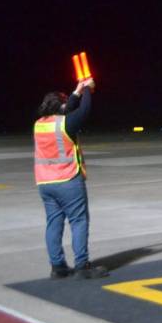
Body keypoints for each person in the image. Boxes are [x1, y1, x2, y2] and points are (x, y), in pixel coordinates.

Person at [34, 78, 107, 279]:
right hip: (67, 180)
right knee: (79, 221)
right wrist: (88, 92)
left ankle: (57, 267)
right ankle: (82, 266)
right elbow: (83, 112)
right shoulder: (66, 124)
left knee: (54, 223)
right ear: (62, 106)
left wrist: (77, 91)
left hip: (45, 184)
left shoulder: (40, 125)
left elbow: (68, 109)